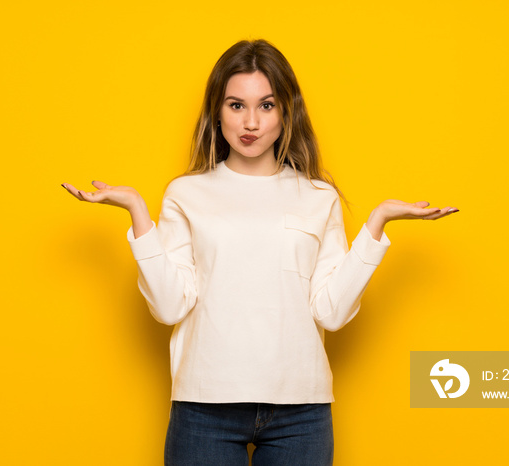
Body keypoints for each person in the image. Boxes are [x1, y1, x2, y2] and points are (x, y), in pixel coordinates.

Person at [62, 39, 458, 465]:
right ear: (217, 111)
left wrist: (377, 224)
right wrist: (139, 215)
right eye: (236, 105)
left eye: (266, 105)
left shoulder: (317, 197)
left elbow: (332, 313)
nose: (250, 121)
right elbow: (169, 306)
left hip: (301, 411)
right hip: (203, 408)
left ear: (287, 112)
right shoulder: (186, 193)